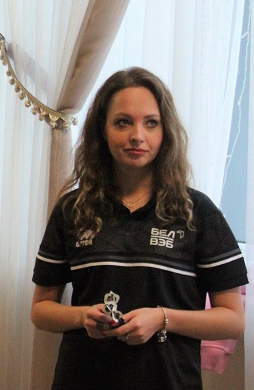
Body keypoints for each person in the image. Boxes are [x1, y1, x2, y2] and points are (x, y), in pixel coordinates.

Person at [31, 67, 247, 390]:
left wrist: (162, 318)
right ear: (102, 130)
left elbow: (233, 320)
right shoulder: (72, 209)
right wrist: (82, 316)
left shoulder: (197, 211)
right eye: (123, 122)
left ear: (165, 131)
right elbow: (40, 310)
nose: (137, 135)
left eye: (151, 123)